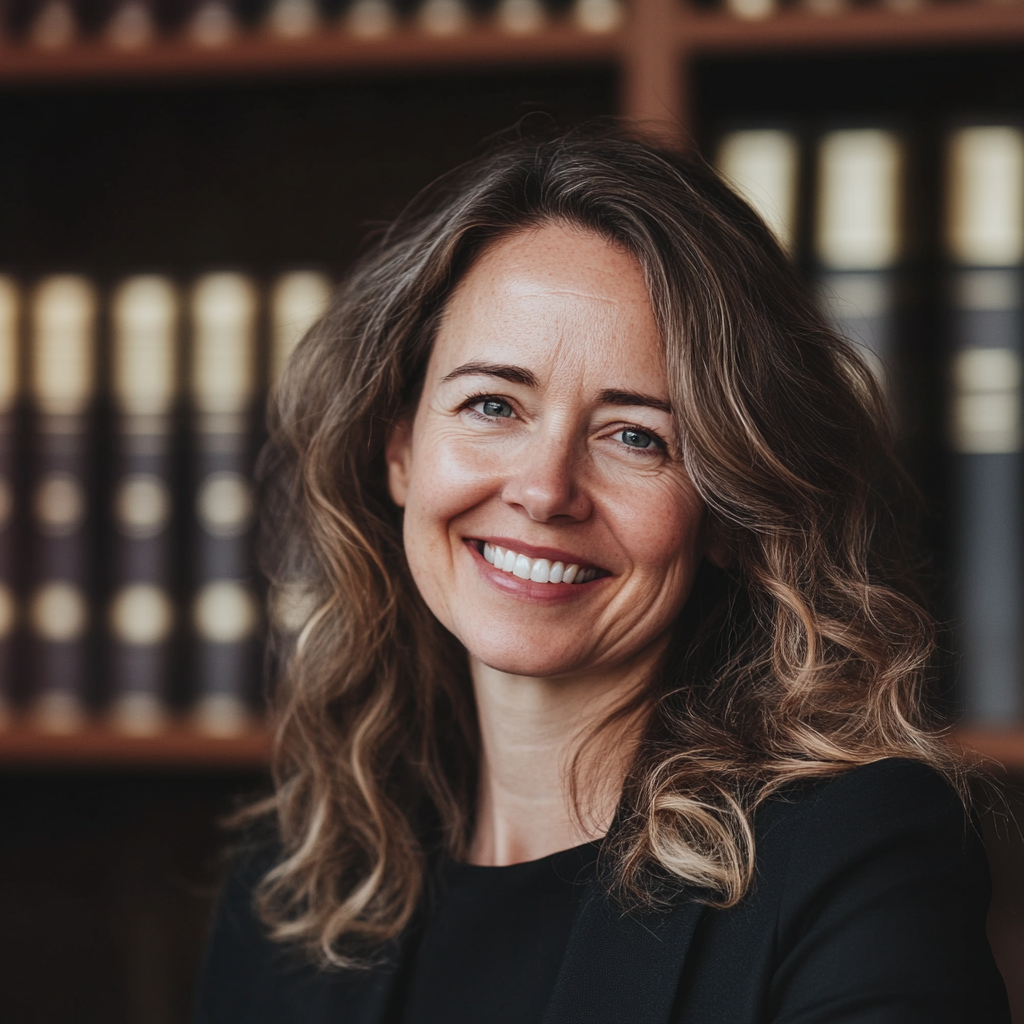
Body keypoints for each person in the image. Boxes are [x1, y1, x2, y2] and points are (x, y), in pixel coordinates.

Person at [195, 124, 1010, 1024]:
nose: (545, 492)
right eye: (492, 404)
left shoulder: (854, 859)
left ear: (730, 513)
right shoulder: (294, 882)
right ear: (400, 450)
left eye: (636, 437)